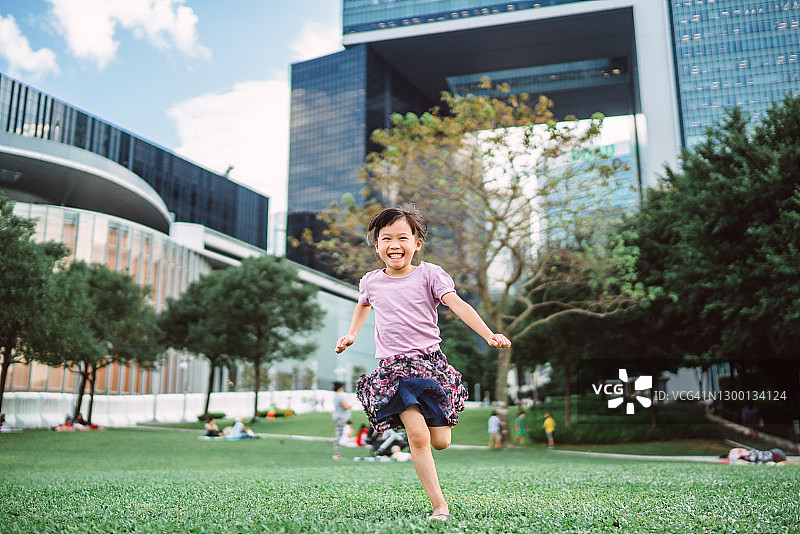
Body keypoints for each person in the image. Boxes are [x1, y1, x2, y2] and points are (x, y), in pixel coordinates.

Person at [335, 205, 512, 522]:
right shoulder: (371, 282)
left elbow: (457, 304)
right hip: (395, 370)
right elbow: (363, 305)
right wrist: (351, 334)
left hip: (430, 366)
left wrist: (488, 334)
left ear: (416, 243)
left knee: (440, 442)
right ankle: (439, 505)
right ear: (377, 245)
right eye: (386, 238)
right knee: (417, 437)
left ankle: (432, 427)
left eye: (403, 237)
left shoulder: (430, 275)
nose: (394, 245)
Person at [332, 381, 352, 460]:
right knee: (338, 436)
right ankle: (336, 454)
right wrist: (352, 404)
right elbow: (345, 407)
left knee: (338, 435)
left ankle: (337, 453)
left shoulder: (335, 395)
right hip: (341, 417)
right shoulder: (340, 396)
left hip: (338, 416)